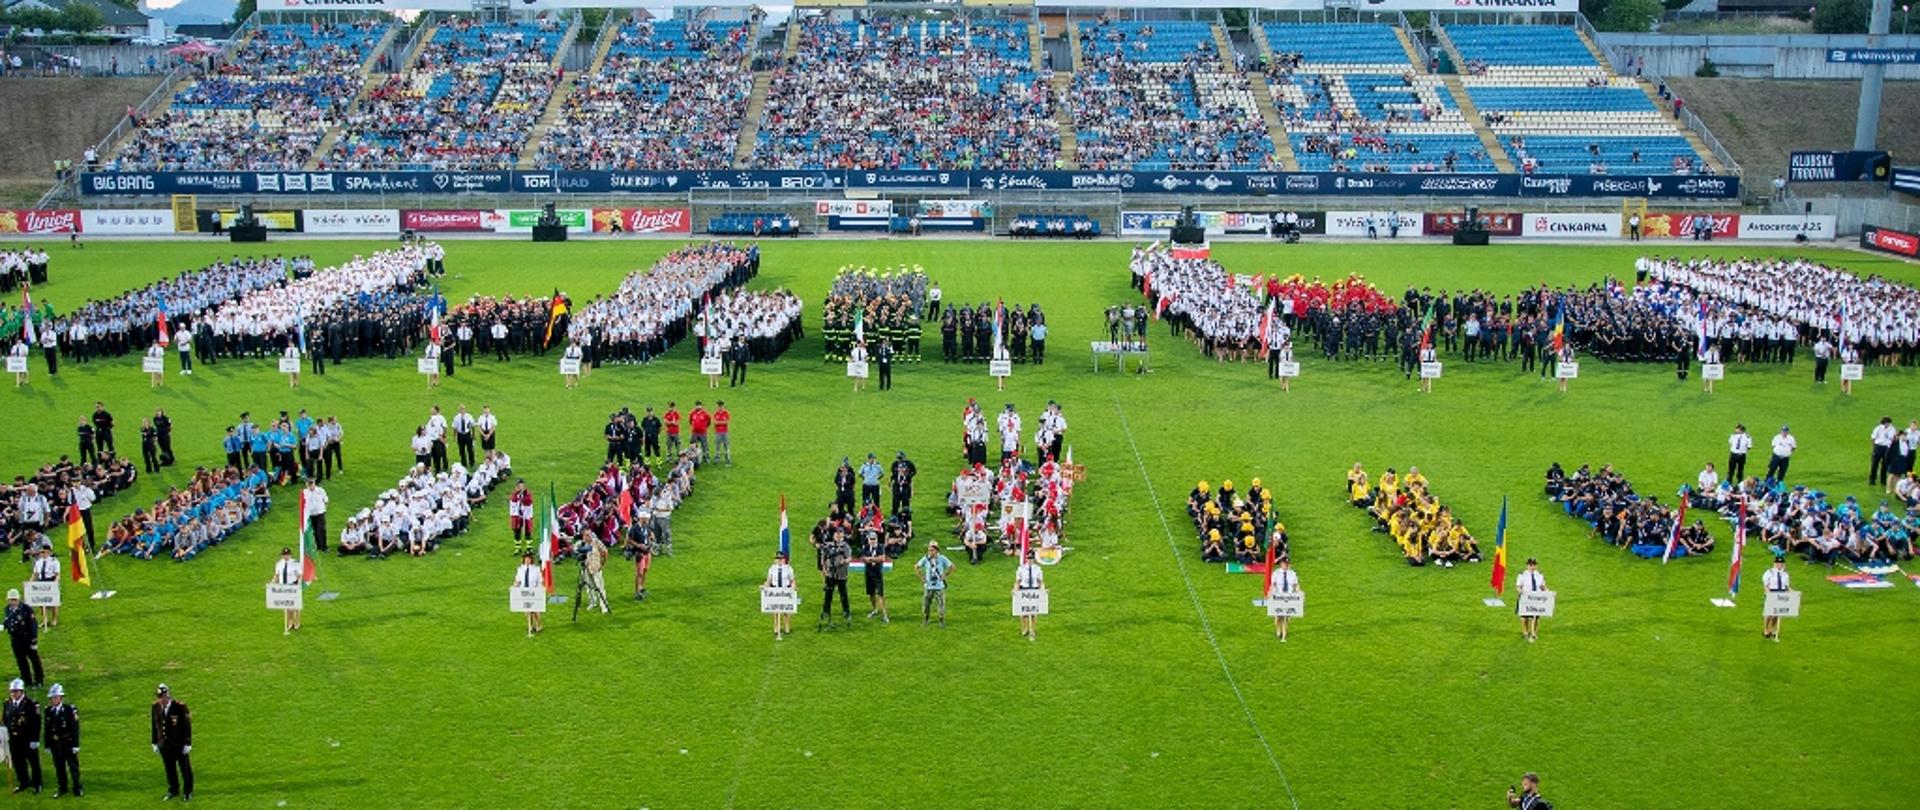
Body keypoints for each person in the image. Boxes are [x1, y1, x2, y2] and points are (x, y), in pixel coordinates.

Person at [151, 684, 192, 801]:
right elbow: (154, 725)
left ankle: (188, 791)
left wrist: (187, 743)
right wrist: (154, 742)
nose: (159, 699)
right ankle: (173, 790)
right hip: (164, 744)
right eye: (158, 697)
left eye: (161, 697)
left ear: (166, 696)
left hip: (178, 744)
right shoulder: (155, 707)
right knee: (169, 768)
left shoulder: (179, 707)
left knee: (185, 768)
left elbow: (186, 726)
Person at [4, 679, 41, 794]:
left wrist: (35, 739)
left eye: (16, 691)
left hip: (27, 739)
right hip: (14, 740)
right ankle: (24, 782)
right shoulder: (7, 703)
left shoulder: (31, 704)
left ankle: (37, 784)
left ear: (21, 691)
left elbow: (36, 723)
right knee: (18, 762)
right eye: (12, 691)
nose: (13, 694)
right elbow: (6, 719)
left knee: (33, 762)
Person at [42, 683, 79, 797]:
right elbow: (47, 729)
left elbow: (74, 728)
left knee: (73, 767)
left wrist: (75, 745)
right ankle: (62, 788)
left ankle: (77, 788)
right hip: (55, 745)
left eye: (56, 697)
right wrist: (47, 744)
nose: (54, 700)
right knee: (59, 768)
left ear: (61, 698)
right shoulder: (48, 710)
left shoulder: (68, 710)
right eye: (52, 698)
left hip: (67, 743)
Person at [3, 590, 42, 686]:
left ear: (18, 599)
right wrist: (3, 626)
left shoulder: (26, 609)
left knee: (34, 661)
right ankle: (27, 680)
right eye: (10, 600)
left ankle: (39, 680)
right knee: (21, 661)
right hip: (15, 640)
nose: (12, 602)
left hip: (27, 639)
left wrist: (34, 641)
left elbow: (33, 625)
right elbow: (8, 620)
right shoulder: (7, 609)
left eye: (14, 600)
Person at [819, 529, 851, 629]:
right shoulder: (828, 546)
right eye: (837, 535)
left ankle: (846, 611)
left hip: (841, 574)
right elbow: (823, 558)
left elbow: (849, 558)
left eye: (840, 535)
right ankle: (826, 611)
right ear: (834, 536)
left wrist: (844, 561)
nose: (838, 537)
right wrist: (824, 570)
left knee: (843, 594)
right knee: (828, 594)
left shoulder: (845, 546)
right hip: (830, 575)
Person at [915, 541, 953, 627]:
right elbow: (916, 567)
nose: (930, 552)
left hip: (939, 586)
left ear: (936, 550)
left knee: (941, 604)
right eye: (929, 550)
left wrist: (945, 575)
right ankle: (925, 619)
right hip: (928, 586)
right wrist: (922, 578)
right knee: (926, 604)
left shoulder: (942, 558)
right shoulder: (925, 558)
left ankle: (941, 620)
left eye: (931, 550)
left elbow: (952, 567)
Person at [860, 527, 889, 623]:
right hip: (868, 573)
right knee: (871, 593)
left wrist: (871, 559)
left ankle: (885, 614)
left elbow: (882, 558)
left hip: (877, 573)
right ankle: (875, 609)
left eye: (874, 539)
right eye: (871, 539)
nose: (872, 541)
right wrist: (868, 559)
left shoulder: (880, 547)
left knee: (880, 593)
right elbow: (863, 557)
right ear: (868, 539)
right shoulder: (866, 547)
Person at [1268, 555, 1300, 642]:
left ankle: (1284, 636)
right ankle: (1278, 629)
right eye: (1284, 563)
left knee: (1286, 617)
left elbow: (1296, 585)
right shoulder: (1276, 573)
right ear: (1281, 564)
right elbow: (1273, 585)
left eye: (1287, 564)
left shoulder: (1292, 574)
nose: (1286, 565)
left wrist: (1299, 593)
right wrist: (1270, 593)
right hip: (1278, 596)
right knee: (1278, 617)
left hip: (1288, 597)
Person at [1015, 548, 1045, 641]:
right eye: (1028, 558)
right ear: (1026, 558)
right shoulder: (1021, 568)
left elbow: (1040, 581)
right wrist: (1015, 589)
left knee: (1034, 612)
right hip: (1024, 590)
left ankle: (1033, 629)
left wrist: (1042, 590)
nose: (1030, 560)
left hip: (1034, 590)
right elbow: (1018, 581)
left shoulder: (1038, 569)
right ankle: (1024, 628)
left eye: (1031, 558)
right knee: (1023, 612)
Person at [272, 547, 302, 635]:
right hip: (283, 587)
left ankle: (297, 622)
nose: (286, 556)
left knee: (294, 606)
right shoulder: (279, 564)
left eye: (287, 555)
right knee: (286, 606)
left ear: (290, 555)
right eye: (284, 555)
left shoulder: (295, 563)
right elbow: (277, 575)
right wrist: (272, 582)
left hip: (292, 586)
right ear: (282, 555)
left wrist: (299, 584)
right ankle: (290, 622)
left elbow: (299, 575)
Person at [767, 550, 796, 641]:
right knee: (775, 610)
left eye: (781, 559)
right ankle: (776, 627)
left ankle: (787, 626)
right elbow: (769, 580)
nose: (779, 560)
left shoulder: (788, 568)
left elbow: (792, 580)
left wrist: (794, 587)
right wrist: (764, 586)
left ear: (784, 560)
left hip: (785, 590)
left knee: (785, 610)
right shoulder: (772, 569)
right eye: (777, 559)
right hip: (775, 590)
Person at [1515, 558, 1546, 643]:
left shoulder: (1540, 574)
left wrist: (1549, 593)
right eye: (1531, 565)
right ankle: (1525, 632)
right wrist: (1521, 592)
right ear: (1527, 565)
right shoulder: (1522, 575)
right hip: (1525, 598)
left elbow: (1543, 587)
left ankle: (1534, 632)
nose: (1532, 567)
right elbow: (1518, 586)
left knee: (1536, 616)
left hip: (1536, 598)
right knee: (1524, 617)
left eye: (1534, 565)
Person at [514, 552, 543, 637]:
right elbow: (517, 580)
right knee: (526, 611)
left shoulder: (536, 569)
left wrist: (540, 590)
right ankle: (531, 626)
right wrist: (514, 586)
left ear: (531, 559)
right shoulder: (520, 569)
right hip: (523, 592)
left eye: (529, 558)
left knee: (535, 611)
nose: (527, 560)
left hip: (534, 592)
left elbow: (540, 580)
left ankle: (538, 624)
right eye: (526, 558)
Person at [1762, 555, 1790, 641]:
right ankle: (1766, 629)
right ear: (1774, 563)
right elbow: (1765, 584)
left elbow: (1787, 586)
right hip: (1772, 592)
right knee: (1769, 613)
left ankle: (1773, 629)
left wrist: (1794, 592)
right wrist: (1768, 592)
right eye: (1778, 563)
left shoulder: (1785, 574)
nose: (1779, 565)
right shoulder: (1769, 572)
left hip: (1781, 593)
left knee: (1776, 614)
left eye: (1781, 563)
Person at [30, 547, 59, 628]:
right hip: (41, 581)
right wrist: (30, 582)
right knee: (41, 602)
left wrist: (55, 583)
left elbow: (57, 574)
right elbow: (35, 574)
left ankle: (54, 619)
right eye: (41, 552)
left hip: (50, 581)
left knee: (53, 602)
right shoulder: (38, 562)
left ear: (48, 552)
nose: (41, 553)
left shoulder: (54, 561)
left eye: (43, 552)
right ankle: (44, 620)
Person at [1870, 416, 1898, 486]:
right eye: (1885, 423)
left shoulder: (1892, 429)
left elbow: (1893, 439)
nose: (1886, 425)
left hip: (1887, 447)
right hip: (1878, 446)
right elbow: (1873, 437)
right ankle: (1872, 480)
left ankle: (1883, 480)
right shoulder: (1878, 428)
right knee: (1874, 464)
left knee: (1885, 464)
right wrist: (1873, 448)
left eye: (1887, 423)